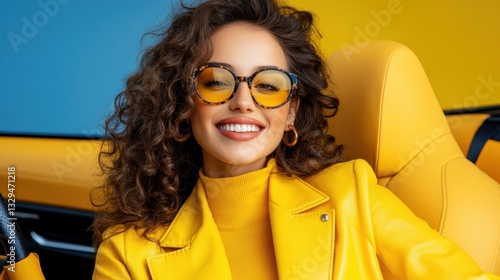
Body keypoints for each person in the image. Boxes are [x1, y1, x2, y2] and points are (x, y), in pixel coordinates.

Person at [91, 0, 499, 279]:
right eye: (216, 81)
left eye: (268, 85)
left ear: (290, 113)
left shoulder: (352, 195)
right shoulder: (129, 254)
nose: (243, 101)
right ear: (181, 101)